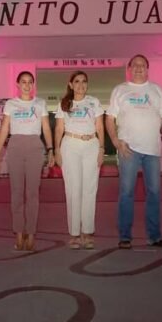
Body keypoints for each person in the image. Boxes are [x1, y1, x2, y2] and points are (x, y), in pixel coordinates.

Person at [106, 54, 162, 249]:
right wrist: (116, 141)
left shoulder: (156, 90)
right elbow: (110, 119)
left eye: (142, 65)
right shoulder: (120, 90)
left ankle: (155, 236)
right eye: (135, 65)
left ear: (147, 69)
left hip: (152, 150)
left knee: (155, 192)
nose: (139, 68)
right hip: (128, 150)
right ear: (129, 69)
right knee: (126, 192)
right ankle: (125, 236)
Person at [0, 71, 54, 252]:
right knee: (17, 192)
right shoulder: (11, 104)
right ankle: (19, 232)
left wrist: (50, 149)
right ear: (18, 85)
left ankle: (31, 232)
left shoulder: (40, 103)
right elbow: (5, 128)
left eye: (30, 82)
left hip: (35, 146)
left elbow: (46, 127)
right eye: (23, 82)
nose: (27, 85)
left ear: (33, 85)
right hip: (15, 146)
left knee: (33, 193)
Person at [54, 71, 105, 249]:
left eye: (84, 81)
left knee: (90, 189)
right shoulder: (64, 103)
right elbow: (59, 129)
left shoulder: (94, 102)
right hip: (70, 145)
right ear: (70, 84)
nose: (81, 85)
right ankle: (74, 233)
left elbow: (100, 127)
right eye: (77, 81)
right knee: (73, 189)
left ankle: (87, 232)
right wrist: (57, 150)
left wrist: (101, 149)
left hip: (91, 145)